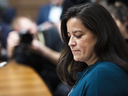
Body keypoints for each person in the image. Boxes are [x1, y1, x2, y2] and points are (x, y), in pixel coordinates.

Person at [57, 2, 128, 96]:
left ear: (100, 35)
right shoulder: (92, 67)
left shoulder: (103, 75)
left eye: (78, 36)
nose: (70, 43)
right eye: (69, 36)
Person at [7, 16, 65, 95]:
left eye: (29, 30)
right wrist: (10, 53)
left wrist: (42, 50)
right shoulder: (20, 47)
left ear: (35, 24)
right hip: (31, 87)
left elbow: (64, 61)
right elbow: (14, 73)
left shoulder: (52, 34)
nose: (28, 34)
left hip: (57, 83)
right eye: (24, 33)